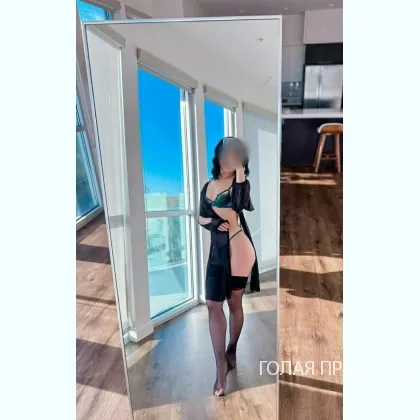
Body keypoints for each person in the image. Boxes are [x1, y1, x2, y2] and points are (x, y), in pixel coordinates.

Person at [198, 137, 259, 397]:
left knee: (234, 303)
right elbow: (201, 217)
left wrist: (241, 173)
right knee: (213, 304)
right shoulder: (208, 186)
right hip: (218, 253)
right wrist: (214, 224)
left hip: (240, 250)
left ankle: (231, 348)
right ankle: (220, 365)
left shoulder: (239, 184)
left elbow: (241, 203)